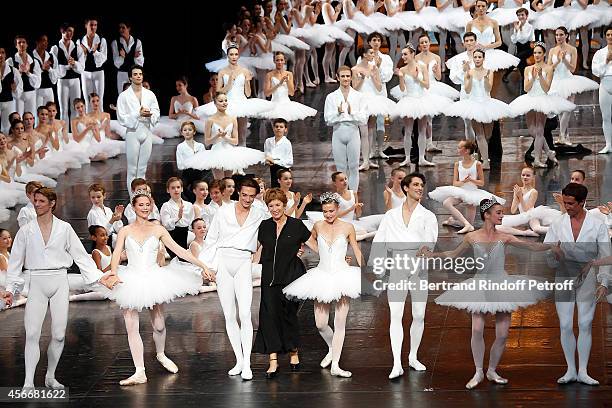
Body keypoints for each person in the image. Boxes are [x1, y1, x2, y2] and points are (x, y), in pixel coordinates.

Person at [424, 197, 557, 389]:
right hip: (480, 284)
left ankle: (492, 370)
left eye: (502, 212)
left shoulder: (505, 237)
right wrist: (432, 255)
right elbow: (453, 254)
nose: (502, 216)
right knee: (477, 329)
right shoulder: (472, 237)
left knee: (502, 334)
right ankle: (478, 371)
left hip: (502, 284)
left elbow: (532, 246)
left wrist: (552, 245)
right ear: (487, 215)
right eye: (499, 212)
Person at [1, 187, 116, 389]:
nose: (36, 204)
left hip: (59, 280)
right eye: (35, 201)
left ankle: (50, 376)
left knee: (59, 334)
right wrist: (11, 288)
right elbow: (15, 263)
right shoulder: (26, 231)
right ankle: (28, 382)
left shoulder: (64, 228)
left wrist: (100, 278)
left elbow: (82, 257)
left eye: (41, 201)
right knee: (32, 333)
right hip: (36, 280)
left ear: (52, 203)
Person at [105, 189, 211, 386]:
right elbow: (116, 254)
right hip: (132, 278)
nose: (145, 208)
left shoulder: (159, 229)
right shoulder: (125, 231)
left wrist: (202, 264)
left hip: (154, 277)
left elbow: (178, 250)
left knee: (159, 324)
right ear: (134, 207)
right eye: (141, 205)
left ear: (152, 206)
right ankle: (139, 371)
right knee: (131, 325)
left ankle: (161, 354)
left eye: (147, 204)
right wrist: (114, 274)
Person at [283, 191, 363, 378]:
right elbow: (310, 243)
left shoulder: (348, 227)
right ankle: (332, 348)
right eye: (325, 211)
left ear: (338, 209)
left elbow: (357, 251)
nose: (328, 214)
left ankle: (336, 364)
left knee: (340, 322)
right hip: (321, 275)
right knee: (320, 324)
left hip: (343, 276)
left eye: (331, 211)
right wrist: (298, 251)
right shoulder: (317, 225)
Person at [543, 183, 612, 385]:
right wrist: (553, 254)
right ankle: (570, 370)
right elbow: (548, 254)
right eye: (565, 203)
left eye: (571, 203)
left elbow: (606, 254)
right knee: (565, 325)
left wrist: (604, 281)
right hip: (563, 275)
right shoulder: (557, 223)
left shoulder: (597, 224)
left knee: (584, 323)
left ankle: (583, 370)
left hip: (587, 276)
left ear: (582, 202)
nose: (567, 207)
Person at [371, 172, 438, 378]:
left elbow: (430, 242)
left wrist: (421, 259)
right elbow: (380, 241)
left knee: (418, 315)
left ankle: (413, 357)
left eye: (422, 185)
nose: (420, 188)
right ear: (406, 187)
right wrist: (378, 269)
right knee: (396, 316)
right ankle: (396, 363)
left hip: (418, 269)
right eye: (416, 184)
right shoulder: (391, 215)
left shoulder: (428, 216)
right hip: (398, 267)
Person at [200, 178, 267, 381]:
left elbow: (275, 227)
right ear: (238, 192)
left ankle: (247, 362)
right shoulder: (223, 211)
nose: (247, 199)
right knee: (229, 315)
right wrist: (206, 266)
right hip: (223, 261)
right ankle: (239, 360)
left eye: (251, 196)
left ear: (256, 196)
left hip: (243, 262)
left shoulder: (259, 213)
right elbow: (211, 239)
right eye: (244, 194)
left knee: (245, 313)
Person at [253, 188, 315, 378]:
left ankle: (293, 352)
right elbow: (256, 249)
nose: (274, 209)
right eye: (270, 206)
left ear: (284, 205)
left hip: (292, 275)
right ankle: (273, 360)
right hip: (269, 278)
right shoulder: (264, 226)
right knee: (269, 315)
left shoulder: (296, 225)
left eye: (277, 205)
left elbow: (315, 245)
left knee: (288, 314)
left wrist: (336, 258)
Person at [509, 42, 575, 167]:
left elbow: (546, 89)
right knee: (532, 130)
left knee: (539, 130)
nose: (537, 55)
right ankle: (549, 152)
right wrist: (533, 77)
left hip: (543, 100)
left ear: (544, 54)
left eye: (539, 53)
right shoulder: (528, 69)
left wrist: (540, 75)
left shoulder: (549, 68)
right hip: (530, 99)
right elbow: (526, 88)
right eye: (535, 53)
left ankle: (538, 159)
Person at [446, 48, 512, 170]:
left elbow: (488, 88)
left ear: (483, 58)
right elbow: (467, 90)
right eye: (475, 57)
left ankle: (481, 154)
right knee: (480, 134)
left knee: (487, 135)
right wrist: (467, 74)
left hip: (487, 104)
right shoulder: (469, 72)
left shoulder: (489, 71)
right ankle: (486, 161)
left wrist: (486, 78)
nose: (477, 59)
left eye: (479, 57)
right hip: (474, 104)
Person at [392, 45, 451, 167]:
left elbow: (427, 85)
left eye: (405, 54)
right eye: (402, 54)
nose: (403, 57)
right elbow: (403, 89)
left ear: (412, 54)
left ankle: (421, 158)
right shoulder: (402, 69)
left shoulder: (422, 67)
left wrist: (416, 78)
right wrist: (401, 78)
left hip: (421, 99)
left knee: (422, 130)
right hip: (409, 99)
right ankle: (407, 158)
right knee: (408, 131)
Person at [429, 140, 505, 233]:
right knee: (446, 203)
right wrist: (463, 181)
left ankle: (454, 222)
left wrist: (471, 180)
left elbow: (481, 183)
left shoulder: (477, 164)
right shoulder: (458, 164)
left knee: (470, 223)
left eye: (460, 147)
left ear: (467, 150)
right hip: (460, 191)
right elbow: (455, 183)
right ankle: (465, 224)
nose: (457, 149)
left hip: (472, 193)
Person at [186, 92, 265, 177]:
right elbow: (207, 142)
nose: (224, 103)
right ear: (215, 104)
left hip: (229, 151)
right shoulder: (210, 120)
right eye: (221, 101)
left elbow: (235, 141)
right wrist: (217, 136)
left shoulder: (233, 119)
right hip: (216, 152)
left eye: (226, 100)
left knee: (229, 181)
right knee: (219, 181)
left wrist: (225, 137)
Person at [548, 26, 599, 146]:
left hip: (568, 80)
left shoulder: (572, 49)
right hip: (556, 81)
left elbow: (573, 68)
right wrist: (558, 60)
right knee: (561, 110)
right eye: (557, 35)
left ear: (566, 35)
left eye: (561, 34)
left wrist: (564, 59)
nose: (558, 37)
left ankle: (561, 135)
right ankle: (565, 136)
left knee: (568, 108)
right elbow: (549, 68)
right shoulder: (552, 51)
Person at [351, 46, 396, 171]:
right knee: (364, 131)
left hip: (373, 99)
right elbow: (354, 88)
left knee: (371, 129)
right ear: (364, 55)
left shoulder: (374, 68)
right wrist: (363, 78)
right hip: (362, 100)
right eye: (370, 52)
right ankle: (365, 160)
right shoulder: (355, 69)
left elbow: (379, 88)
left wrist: (374, 74)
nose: (373, 54)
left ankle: (369, 159)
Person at [117, 65, 160, 192]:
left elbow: (156, 110)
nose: (138, 76)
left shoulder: (149, 94)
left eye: (140, 74)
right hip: (133, 133)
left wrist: (151, 114)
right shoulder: (124, 96)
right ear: (130, 77)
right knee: (132, 169)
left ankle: (142, 198)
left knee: (142, 168)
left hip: (146, 131)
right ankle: (132, 200)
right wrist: (138, 114)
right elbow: (121, 117)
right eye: (135, 74)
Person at [324, 65, 366, 192]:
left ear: (351, 77)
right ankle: (342, 196)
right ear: (338, 78)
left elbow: (363, 119)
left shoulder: (359, 96)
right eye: (343, 76)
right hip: (338, 132)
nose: (346, 79)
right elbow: (328, 120)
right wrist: (338, 113)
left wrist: (352, 113)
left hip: (353, 132)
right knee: (341, 168)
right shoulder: (331, 97)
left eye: (348, 76)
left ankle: (353, 197)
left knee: (354, 167)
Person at [264, 52, 317, 122]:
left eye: (281, 60)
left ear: (284, 61)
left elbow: (291, 93)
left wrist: (288, 82)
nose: (279, 62)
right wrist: (279, 84)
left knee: (284, 128)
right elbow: (267, 94)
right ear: (274, 61)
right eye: (277, 60)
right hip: (274, 104)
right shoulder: (269, 75)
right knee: (275, 128)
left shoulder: (289, 74)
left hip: (287, 104)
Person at [51, 23, 84, 122]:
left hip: (75, 81)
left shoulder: (77, 47)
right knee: (63, 109)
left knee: (76, 109)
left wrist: (74, 64)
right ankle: (64, 134)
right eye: (68, 31)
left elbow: (82, 68)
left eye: (72, 31)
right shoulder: (55, 48)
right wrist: (67, 67)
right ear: (63, 31)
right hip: (62, 81)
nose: (70, 33)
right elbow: (54, 68)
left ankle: (75, 133)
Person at [175, 121, 210, 202]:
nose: (187, 132)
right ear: (182, 132)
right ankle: (191, 202)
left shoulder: (200, 146)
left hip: (199, 173)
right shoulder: (180, 147)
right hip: (187, 173)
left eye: (190, 130)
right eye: (185, 130)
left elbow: (204, 161)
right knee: (182, 189)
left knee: (202, 188)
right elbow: (180, 165)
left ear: (194, 132)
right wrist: (191, 163)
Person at [160, 177, 195, 258]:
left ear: (182, 189)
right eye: (173, 188)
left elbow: (191, 222)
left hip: (187, 235)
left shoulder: (189, 205)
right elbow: (166, 225)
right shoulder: (166, 206)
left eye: (178, 187)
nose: (176, 190)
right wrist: (177, 218)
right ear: (168, 190)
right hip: (174, 236)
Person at [77, 18, 107, 111]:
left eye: (95, 25)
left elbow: (104, 58)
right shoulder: (80, 41)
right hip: (85, 72)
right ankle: (89, 123)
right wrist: (84, 53)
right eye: (91, 25)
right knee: (87, 99)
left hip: (98, 72)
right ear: (86, 25)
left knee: (99, 99)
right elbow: (79, 59)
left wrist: (95, 52)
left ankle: (101, 123)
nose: (93, 27)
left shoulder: (102, 40)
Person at [8, 35, 41, 116]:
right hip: (18, 95)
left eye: (24, 42)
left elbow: (38, 83)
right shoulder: (10, 61)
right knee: (17, 120)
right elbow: (5, 78)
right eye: (19, 43)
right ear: (16, 45)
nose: (22, 44)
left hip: (31, 93)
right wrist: (18, 72)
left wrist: (28, 73)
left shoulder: (34, 61)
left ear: (27, 45)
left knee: (30, 118)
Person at [592, 26, 612, 154]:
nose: (610, 37)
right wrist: (606, 61)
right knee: (606, 116)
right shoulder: (600, 53)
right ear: (605, 36)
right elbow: (596, 71)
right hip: (605, 84)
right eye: (608, 34)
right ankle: (608, 144)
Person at [501, 7, 534, 83]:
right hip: (519, 48)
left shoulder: (530, 27)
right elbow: (514, 40)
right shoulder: (516, 26)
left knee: (516, 60)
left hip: (527, 48)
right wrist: (516, 30)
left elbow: (524, 39)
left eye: (522, 15)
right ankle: (524, 83)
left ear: (526, 16)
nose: (520, 17)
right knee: (522, 66)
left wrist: (519, 30)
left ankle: (506, 74)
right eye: (519, 15)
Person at [86, 183, 124, 247]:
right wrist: (112, 221)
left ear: (104, 196)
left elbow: (119, 229)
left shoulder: (108, 210)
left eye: (98, 197)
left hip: (113, 241)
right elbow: (101, 235)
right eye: (93, 197)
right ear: (90, 198)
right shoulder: (92, 213)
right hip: (102, 246)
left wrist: (118, 219)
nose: (96, 200)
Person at [112, 21, 145, 95]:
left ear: (129, 28)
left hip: (135, 73)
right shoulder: (115, 43)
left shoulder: (137, 42)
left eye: (123, 27)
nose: (121, 29)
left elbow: (140, 62)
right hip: (121, 73)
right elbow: (117, 63)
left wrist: (125, 56)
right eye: (120, 28)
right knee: (122, 96)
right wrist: (132, 55)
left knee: (136, 95)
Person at [264, 118, 294, 188]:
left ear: (285, 129)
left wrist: (275, 161)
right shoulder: (268, 141)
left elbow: (290, 161)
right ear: (273, 128)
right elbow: (266, 155)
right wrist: (267, 161)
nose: (278, 129)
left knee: (282, 189)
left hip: (283, 169)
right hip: (272, 168)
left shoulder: (287, 143)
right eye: (276, 126)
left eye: (281, 127)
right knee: (274, 187)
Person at [0, 47, 23, 133]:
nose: (0, 55)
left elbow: (20, 88)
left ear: (5, 55)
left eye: (2, 52)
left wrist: (15, 89)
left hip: (9, 102)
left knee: (7, 127)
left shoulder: (13, 70)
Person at [33, 35, 58, 108]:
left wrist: (49, 69)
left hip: (49, 90)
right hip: (36, 90)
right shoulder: (31, 56)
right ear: (37, 42)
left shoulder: (52, 56)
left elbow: (55, 78)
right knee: (38, 114)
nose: (46, 43)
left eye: (46, 41)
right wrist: (41, 69)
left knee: (50, 113)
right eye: (43, 40)